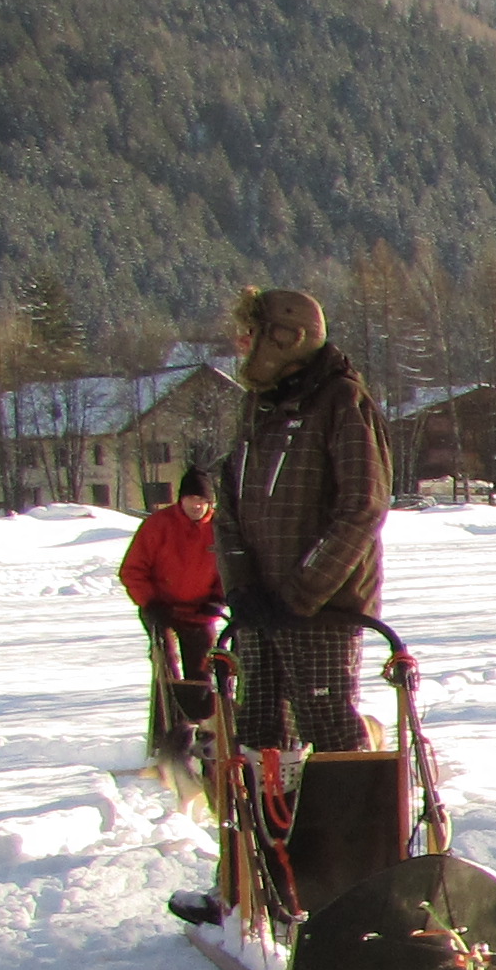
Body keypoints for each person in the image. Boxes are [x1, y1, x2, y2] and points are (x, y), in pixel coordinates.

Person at [212, 288, 389, 755]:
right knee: (257, 733)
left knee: (328, 731)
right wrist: (241, 587)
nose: (240, 345)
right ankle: (273, 806)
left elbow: (363, 506)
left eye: (250, 333)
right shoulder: (256, 405)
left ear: (286, 337)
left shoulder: (342, 400)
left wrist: (300, 595)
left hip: (324, 610)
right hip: (260, 608)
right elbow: (228, 504)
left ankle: (347, 804)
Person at [118, 464, 225, 762]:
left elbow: (230, 569)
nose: (196, 506)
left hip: (200, 611)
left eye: (202, 501)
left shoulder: (220, 528)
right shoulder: (158, 526)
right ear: (180, 500)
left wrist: (218, 598)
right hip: (161, 609)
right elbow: (132, 570)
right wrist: (150, 603)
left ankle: (203, 735)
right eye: (191, 499)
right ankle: (164, 738)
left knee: (201, 672)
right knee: (167, 668)